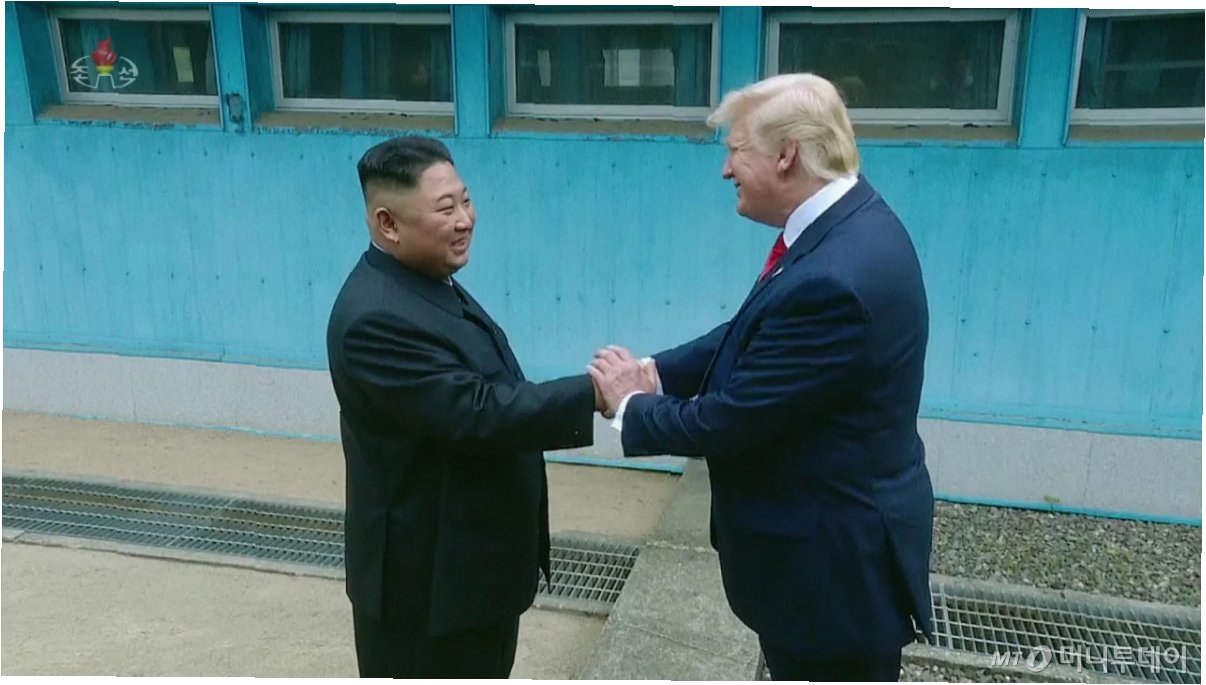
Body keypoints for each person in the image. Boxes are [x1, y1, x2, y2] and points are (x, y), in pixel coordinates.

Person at [589, 73, 934, 682]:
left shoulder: (834, 278)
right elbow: (754, 330)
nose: (726, 170)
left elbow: (733, 419)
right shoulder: (848, 223)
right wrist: (659, 372)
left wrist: (632, 406)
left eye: (735, 151)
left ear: (786, 155)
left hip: (829, 581)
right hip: (835, 553)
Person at [326, 136, 601, 678]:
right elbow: (477, 412)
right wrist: (593, 393)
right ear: (388, 223)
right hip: (426, 593)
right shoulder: (374, 317)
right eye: (445, 209)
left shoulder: (424, 281)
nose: (464, 220)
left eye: (466, 200)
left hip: (470, 578)